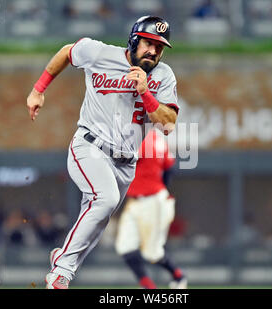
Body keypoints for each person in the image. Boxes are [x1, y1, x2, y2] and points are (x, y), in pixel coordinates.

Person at [26, 15, 179, 289]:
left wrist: (145, 92)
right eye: (148, 43)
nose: (154, 51)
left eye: (159, 47)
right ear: (133, 40)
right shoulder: (99, 53)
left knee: (99, 216)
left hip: (126, 163)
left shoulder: (163, 75)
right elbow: (66, 52)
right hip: (90, 145)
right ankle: (61, 272)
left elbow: (167, 124)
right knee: (105, 200)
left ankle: (63, 257)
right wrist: (38, 90)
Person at [115, 129, 187, 289]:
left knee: (152, 253)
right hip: (138, 201)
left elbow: (120, 158)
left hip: (151, 201)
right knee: (125, 247)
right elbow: (169, 169)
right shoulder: (156, 137)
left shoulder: (141, 138)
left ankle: (179, 276)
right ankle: (149, 287)